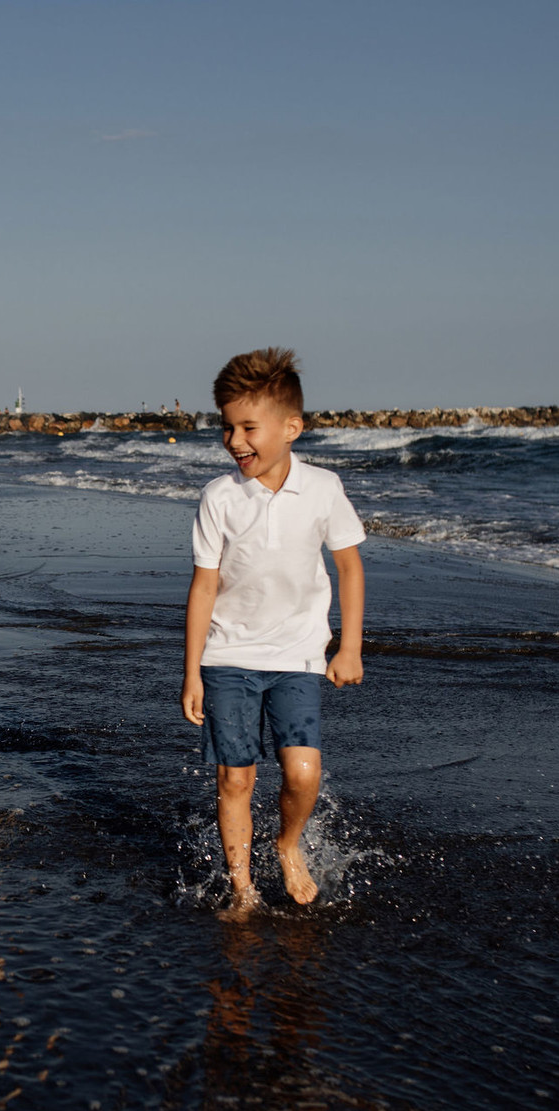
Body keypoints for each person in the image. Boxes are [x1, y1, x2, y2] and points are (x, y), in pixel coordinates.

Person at [180, 348, 365, 917]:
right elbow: (204, 587)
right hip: (228, 654)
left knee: (303, 772)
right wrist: (191, 671)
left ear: (291, 428)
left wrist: (349, 645)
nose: (235, 441)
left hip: (299, 654)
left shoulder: (324, 489)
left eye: (248, 428)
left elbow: (350, 566)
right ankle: (242, 887)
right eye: (227, 427)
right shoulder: (220, 497)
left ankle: (288, 844)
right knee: (235, 778)